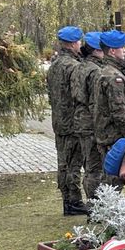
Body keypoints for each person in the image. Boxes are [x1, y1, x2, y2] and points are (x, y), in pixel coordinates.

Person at [47, 26, 89, 215]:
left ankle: (67, 200)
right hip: (73, 123)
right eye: (79, 41)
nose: (80, 44)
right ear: (73, 44)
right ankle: (74, 201)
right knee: (73, 164)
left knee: (63, 163)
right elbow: (79, 95)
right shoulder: (73, 66)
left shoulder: (55, 65)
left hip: (59, 121)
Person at [92, 29, 125, 188]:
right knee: (113, 180)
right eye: (121, 47)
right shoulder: (113, 77)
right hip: (115, 136)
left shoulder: (107, 72)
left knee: (110, 179)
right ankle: (108, 210)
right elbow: (118, 111)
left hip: (110, 135)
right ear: (112, 50)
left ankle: (106, 209)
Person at [74, 31, 105, 201]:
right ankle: (96, 205)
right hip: (92, 123)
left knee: (89, 166)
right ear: (96, 50)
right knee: (94, 168)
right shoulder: (95, 71)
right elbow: (95, 101)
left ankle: (94, 202)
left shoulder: (80, 66)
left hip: (80, 121)